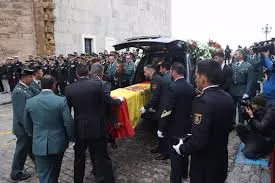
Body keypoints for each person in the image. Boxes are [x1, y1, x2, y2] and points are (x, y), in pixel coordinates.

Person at [173, 60, 234, 183]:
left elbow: (199, 141)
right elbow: (228, 126)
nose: (195, 79)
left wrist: (182, 148)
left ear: (203, 78)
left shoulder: (202, 101)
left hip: (204, 165)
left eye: (196, 76)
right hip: (220, 160)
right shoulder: (227, 97)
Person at [65, 65, 120, 183]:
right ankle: (106, 179)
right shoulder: (98, 84)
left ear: (77, 75)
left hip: (80, 128)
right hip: (97, 126)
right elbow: (107, 100)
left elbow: (67, 112)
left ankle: (78, 180)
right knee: (102, 155)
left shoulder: (69, 88)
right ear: (88, 73)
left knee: (79, 157)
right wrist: (118, 101)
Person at [24, 75, 74, 183]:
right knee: (55, 170)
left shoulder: (30, 102)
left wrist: (36, 136)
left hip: (39, 142)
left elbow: (27, 125)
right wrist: (71, 137)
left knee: (43, 174)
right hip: (58, 142)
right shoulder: (61, 100)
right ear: (54, 86)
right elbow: (68, 122)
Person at [158, 62, 195, 182]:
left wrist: (161, 127)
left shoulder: (172, 87)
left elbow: (167, 110)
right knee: (184, 151)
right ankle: (185, 174)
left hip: (174, 127)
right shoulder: (191, 87)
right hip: (187, 125)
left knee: (175, 156)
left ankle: (176, 180)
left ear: (173, 72)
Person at [140, 65, 170, 160]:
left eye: (145, 72)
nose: (144, 74)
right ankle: (160, 148)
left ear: (150, 71)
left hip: (164, 108)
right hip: (161, 106)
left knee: (162, 130)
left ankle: (165, 153)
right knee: (159, 128)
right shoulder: (156, 78)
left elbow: (155, 97)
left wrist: (146, 107)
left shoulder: (156, 80)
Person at [10, 68, 35, 181]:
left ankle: (40, 166)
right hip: (23, 128)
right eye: (30, 77)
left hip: (26, 127)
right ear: (24, 77)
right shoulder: (19, 91)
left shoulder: (25, 88)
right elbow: (21, 114)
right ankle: (15, 173)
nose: (32, 79)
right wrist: (28, 129)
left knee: (29, 148)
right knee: (21, 151)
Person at [236, 95, 274, 159]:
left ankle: (264, 152)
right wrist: (244, 112)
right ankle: (249, 145)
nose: (252, 105)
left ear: (259, 105)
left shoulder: (270, 112)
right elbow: (248, 120)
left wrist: (252, 116)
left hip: (265, 138)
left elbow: (261, 128)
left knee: (248, 153)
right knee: (239, 126)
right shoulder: (257, 109)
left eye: (254, 104)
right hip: (256, 133)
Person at [229, 49, 254, 124]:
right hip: (233, 90)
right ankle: (232, 124)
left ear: (241, 55)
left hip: (242, 90)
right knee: (232, 108)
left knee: (241, 110)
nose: (234, 55)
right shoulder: (232, 65)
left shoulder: (248, 66)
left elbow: (250, 81)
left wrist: (247, 92)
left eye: (236, 54)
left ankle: (241, 125)